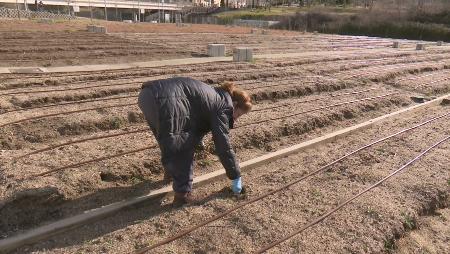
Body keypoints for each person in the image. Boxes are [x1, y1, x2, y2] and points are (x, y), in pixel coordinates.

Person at [138, 77, 252, 206]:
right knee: (184, 146)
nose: (236, 119)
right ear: (235, 104)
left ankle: (170, 174)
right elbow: (223, 144)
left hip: (148, 94)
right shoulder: (224, 106)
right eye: (239, 114)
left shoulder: (214, 95)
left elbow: (196, 118)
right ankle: (182, 196)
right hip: (165, 100)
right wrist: (235, 175)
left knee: (170, 139)